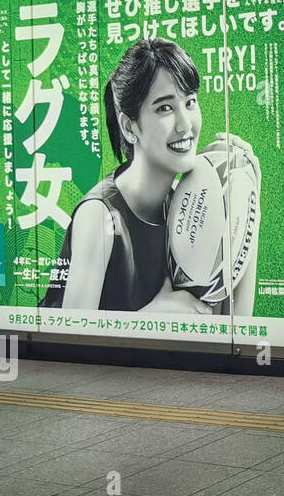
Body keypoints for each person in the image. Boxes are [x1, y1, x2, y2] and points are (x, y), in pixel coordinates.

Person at [39, 37, 261, 315]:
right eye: (164, 108)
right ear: (129, 127)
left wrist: (249, 197)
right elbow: (68, 341)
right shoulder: (99, 217)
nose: (185, 124)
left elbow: (235, 329)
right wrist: (154, 316)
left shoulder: (186, 204)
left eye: (190, 102)